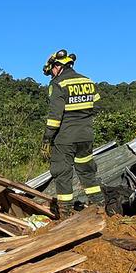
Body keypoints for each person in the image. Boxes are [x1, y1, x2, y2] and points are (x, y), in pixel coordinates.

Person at [42, 49, 104, 218]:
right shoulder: (88, 81)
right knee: (87, 171)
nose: (52, 75)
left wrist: (47, 139)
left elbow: (55, 117)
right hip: (86, 136)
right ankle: (99, 207)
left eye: (52, 71)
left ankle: (65, 214)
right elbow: (97, 106)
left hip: (65, 138)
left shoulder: (58, 84)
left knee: (62, 172)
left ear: (57, 66)